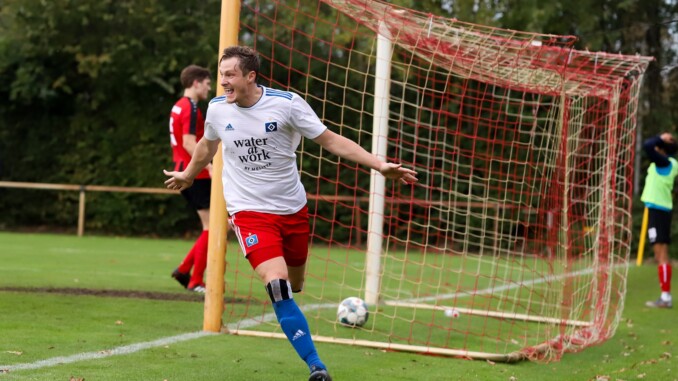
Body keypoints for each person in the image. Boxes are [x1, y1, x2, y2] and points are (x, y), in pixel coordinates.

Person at [163, 46, 418, 381]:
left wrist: (379, 164)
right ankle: (316, 365)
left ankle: (298, 316)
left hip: (292, 210)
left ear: (250, 77)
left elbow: (331, 141)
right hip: (249, 213)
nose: (223, 82)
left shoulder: (287, 105)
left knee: (295, 283)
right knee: (278, 285)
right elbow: (207, 146)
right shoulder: (217, 111)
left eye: (230, 75)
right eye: (221, 75)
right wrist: (188, 174)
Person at [168, 65, 213, 293]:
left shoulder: (178, 105)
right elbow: (188, 142)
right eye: (207, 83)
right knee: (213, 227)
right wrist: (209, 164)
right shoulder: (191, 108)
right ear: (196, 83)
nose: (209, 87)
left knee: (214, 226)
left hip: (184, 170)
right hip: (195, 174)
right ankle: (194, 279)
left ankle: (185, 270)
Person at [641, 132, 678, 308]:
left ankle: (665, 297)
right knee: (661, 255)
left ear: (663, 149)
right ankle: (665, 296)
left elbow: (647, 145)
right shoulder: (667, 163)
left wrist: (660, 137)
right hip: (660, 211)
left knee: (661, 255)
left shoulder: (664, 162)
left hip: (659, 211)